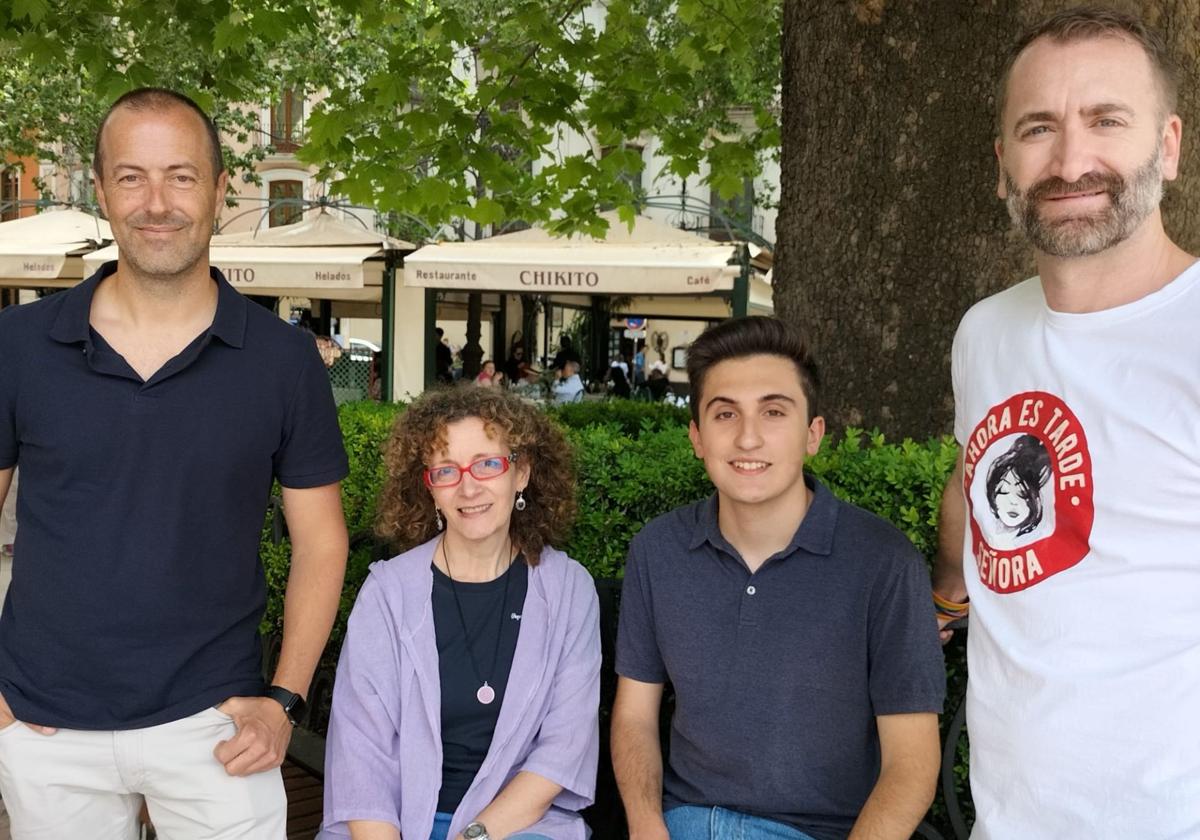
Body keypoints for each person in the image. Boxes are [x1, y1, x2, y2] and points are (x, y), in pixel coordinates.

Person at [0, 88, 350, 837]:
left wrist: (285, 700)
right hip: (44, 725)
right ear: (100, 191)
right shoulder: (17, 346)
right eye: (132, 176)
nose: (156, 202)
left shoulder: (285, 360)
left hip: (218, 725)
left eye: (181, 176)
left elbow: (322, 541)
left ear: (221, 190)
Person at [933, 8, 1200, 838]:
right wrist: (948, 589)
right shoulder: (986, 331)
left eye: (1105, 121)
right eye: (1039, 127)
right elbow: (972, 482)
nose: (1070, 160)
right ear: (1003, 165)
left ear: (1168, 146)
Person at [612, 317, 944, 840]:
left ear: (812, 434)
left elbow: (913, 762)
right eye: (725, 414)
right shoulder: (658, 551)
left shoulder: (883, 562)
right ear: (697, 437)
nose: (748, 437)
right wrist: (646, 824)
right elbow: (634, 715)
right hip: (682, 823)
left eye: (773, 412)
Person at [322, 387, 600, 840]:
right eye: (446, 471)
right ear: (429, 488)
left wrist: (474, 836)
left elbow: (562, 750)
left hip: (515, 826)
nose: (469, 487)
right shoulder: (388, 593)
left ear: (522, 473)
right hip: (389, 823)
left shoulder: (569, 591)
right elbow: (361, 753)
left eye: (488, 464)